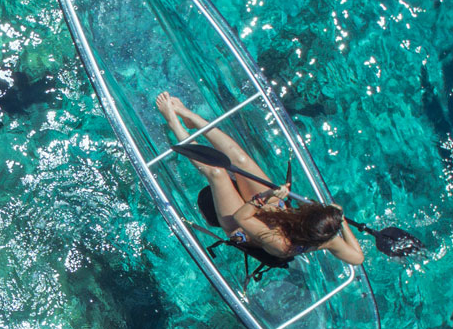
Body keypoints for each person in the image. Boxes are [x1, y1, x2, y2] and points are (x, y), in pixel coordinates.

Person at [155, 91, 365, 266]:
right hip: (273, 209)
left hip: (243, 224)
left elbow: (242, 217)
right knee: (239, 159)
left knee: (217, 174)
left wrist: (266, 195)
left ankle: (174, 123)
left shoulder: (282, 245)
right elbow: (358, 258)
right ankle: (189, 116)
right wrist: (341, 220)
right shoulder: (328, 238)